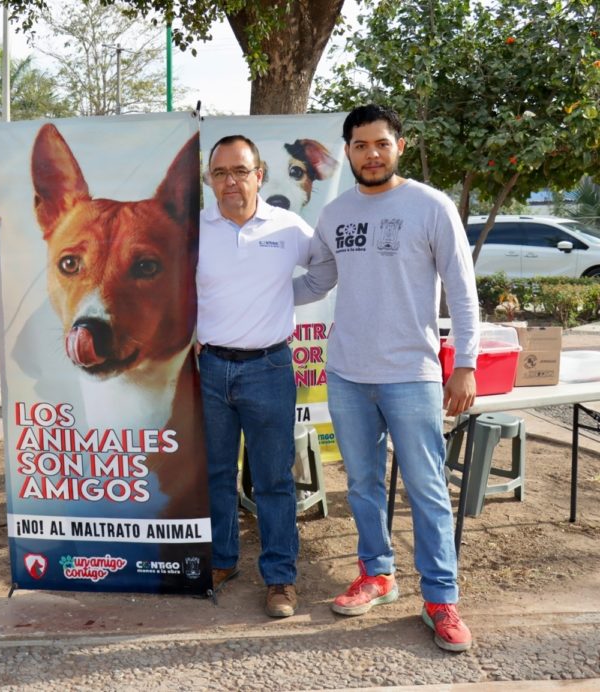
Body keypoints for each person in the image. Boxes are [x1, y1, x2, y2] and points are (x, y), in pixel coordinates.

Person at [294, 104, 479, 652]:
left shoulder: (431, 205)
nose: (370, 154)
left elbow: (463, 291)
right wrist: (248, 290)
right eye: (359, 145)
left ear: (398, 144)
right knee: (362, 486)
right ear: (347, 150)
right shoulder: (335, 214)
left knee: (425, 488)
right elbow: (317, 282)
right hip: (348, 374)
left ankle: (441, 598)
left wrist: (464, 364)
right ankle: (378, 574)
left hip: (411, 374)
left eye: (381, 143)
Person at [196, 134, 314, 617]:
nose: (230, 181)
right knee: (216, 474)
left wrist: (283, 298)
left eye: (240, 171)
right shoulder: (193, 229)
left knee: (273, 480)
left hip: (269, 367)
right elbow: (173, 288)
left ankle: (280, 578)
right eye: (220, 173)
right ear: (209, 180)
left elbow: (324, 271)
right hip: (209, 369)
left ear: (259, 175)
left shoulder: (288, 227)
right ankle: (223, 561)